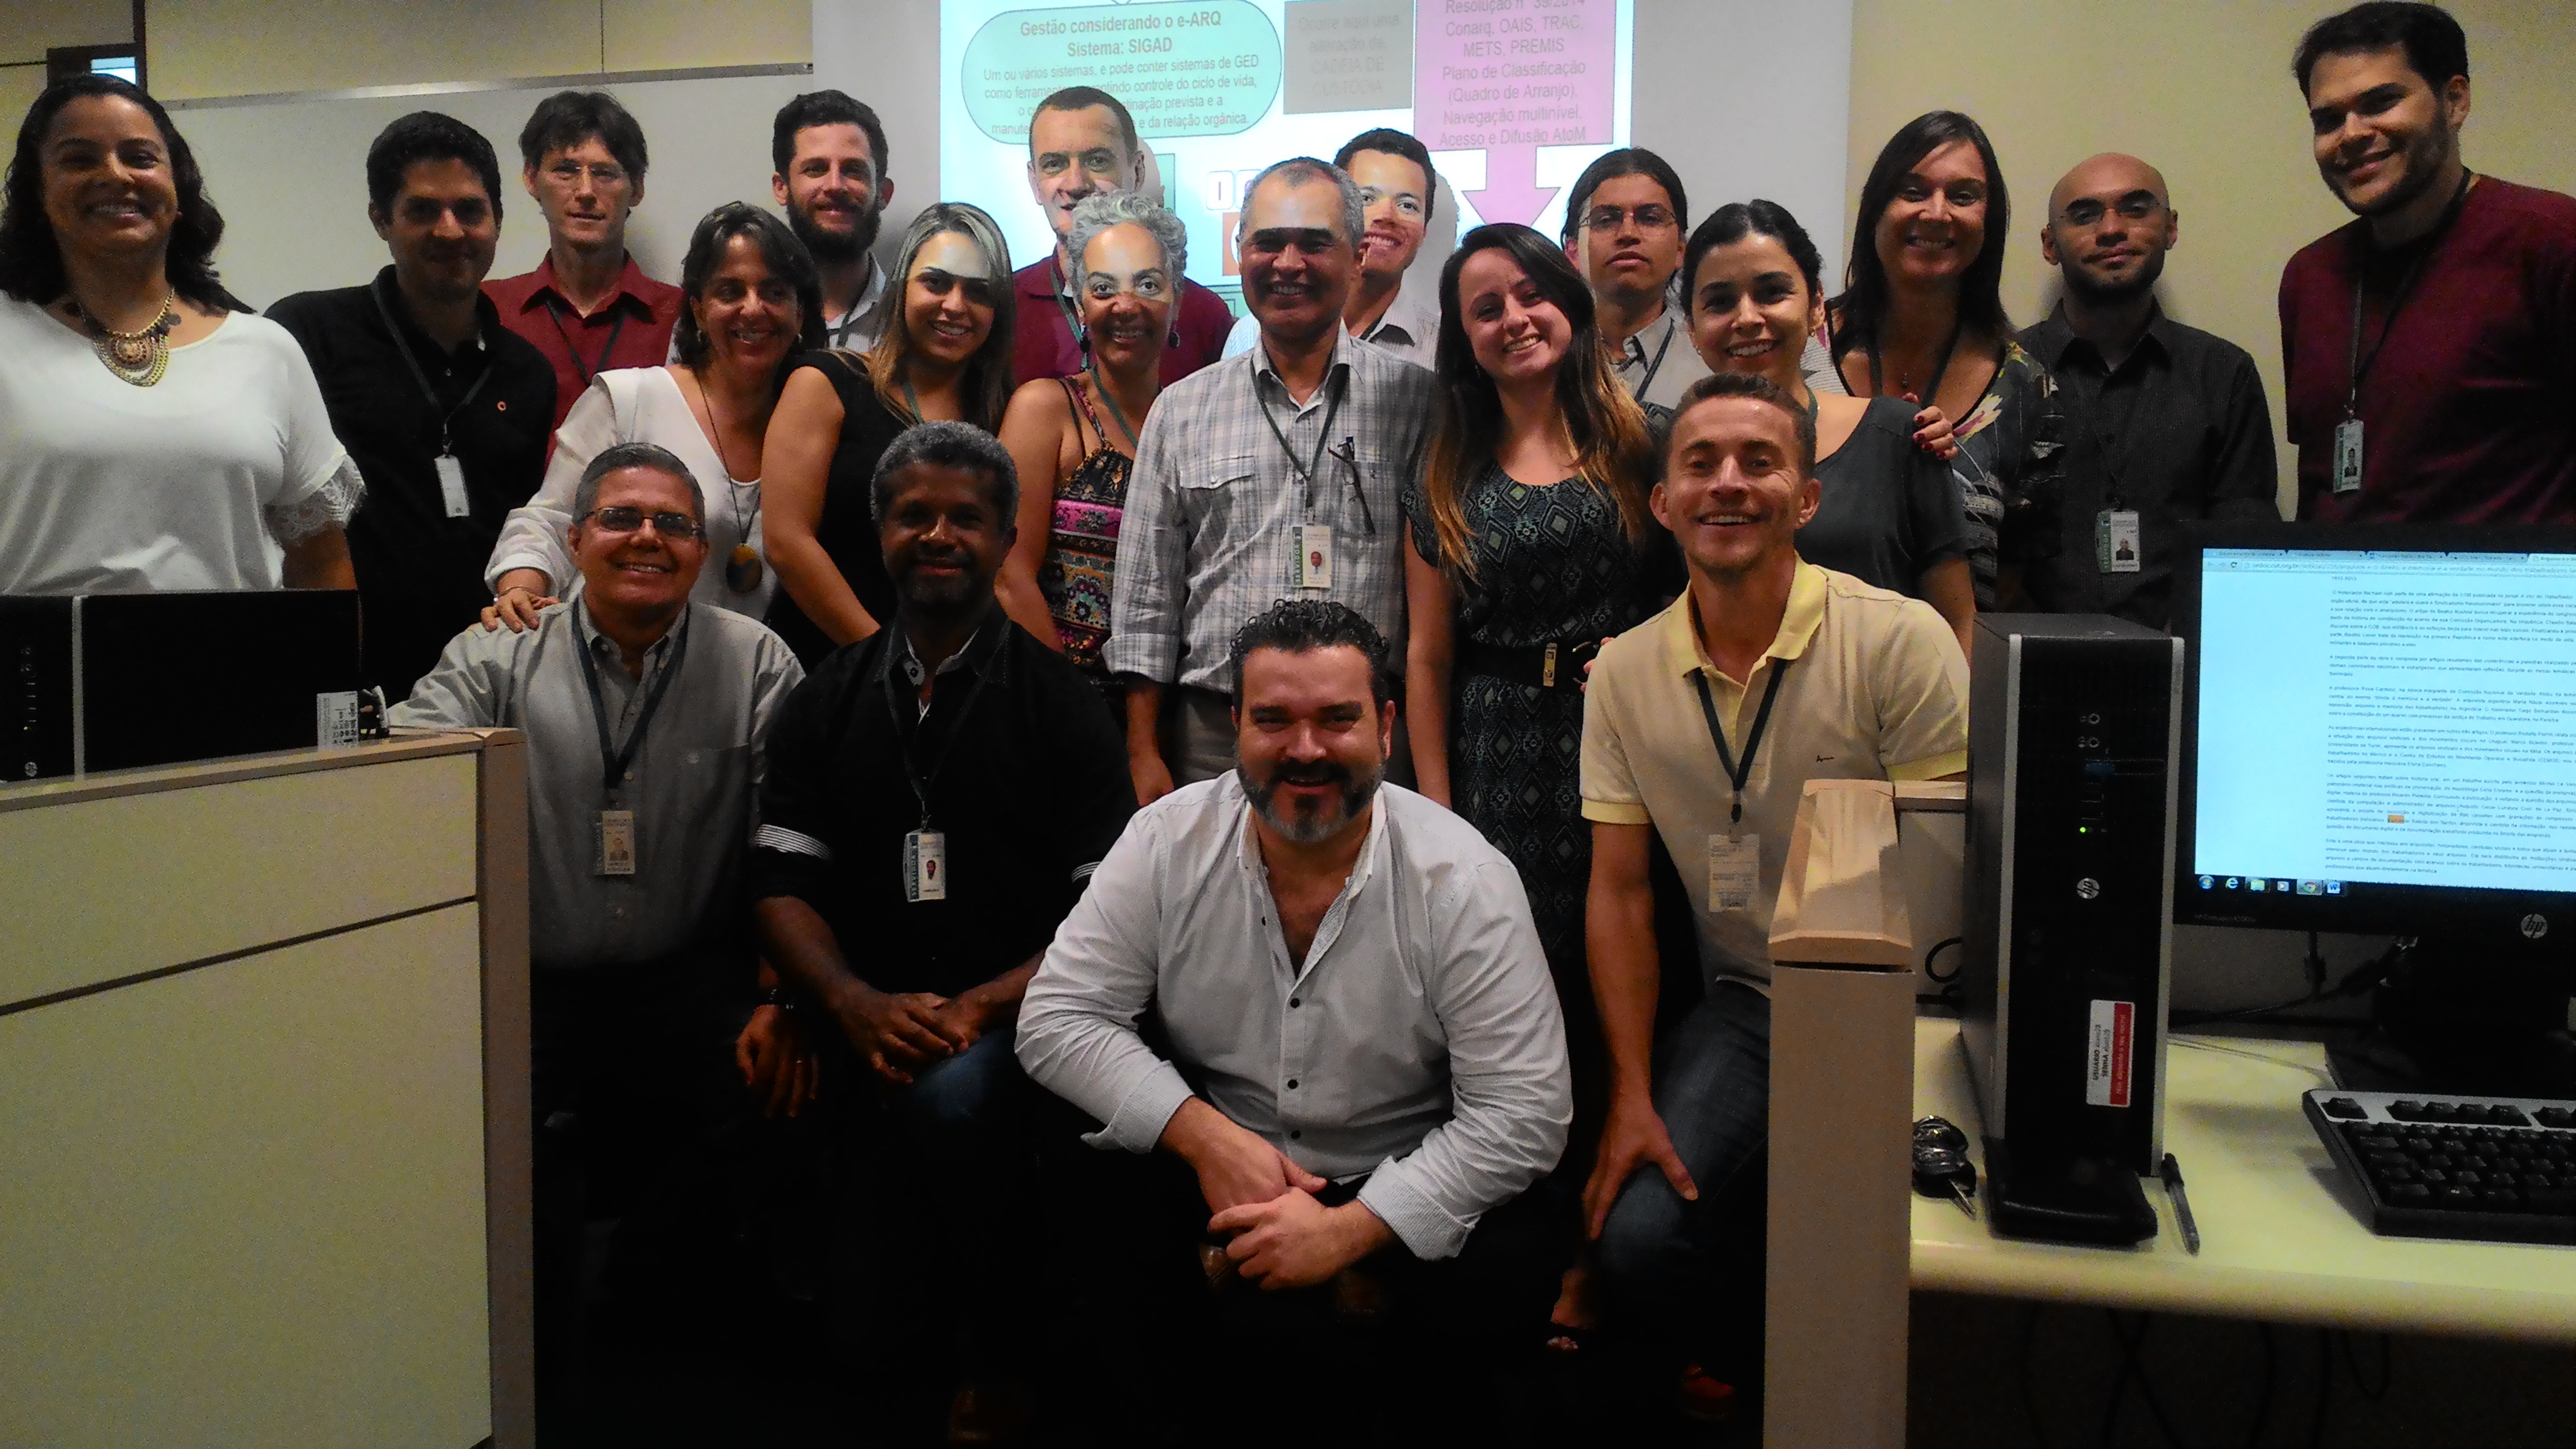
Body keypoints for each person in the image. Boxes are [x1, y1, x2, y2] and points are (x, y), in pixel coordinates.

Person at [1016, 598, 1570, 1439]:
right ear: (1235, 727)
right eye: (1273, 720)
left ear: (1387, 727)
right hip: (1223, 1157)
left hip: (1398, 1162)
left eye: (1337, 719)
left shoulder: (1464, 879)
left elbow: (1525, 1113)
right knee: (1069, 1143)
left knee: (1518, 1253)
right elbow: (1056, 1017)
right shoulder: (1165, 842)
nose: (1305, 750)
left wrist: (1349, 1233)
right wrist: (1206, 1140)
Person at [389, 440, 806, 1431]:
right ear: (574, 541)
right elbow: (399, 779)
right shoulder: (496, 655)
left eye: (673, 523)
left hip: (688, 978)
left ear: (702, 551)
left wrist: (779, 996)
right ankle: (508, 1368)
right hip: (525, 985)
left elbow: (788, 846)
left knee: (781, 1099)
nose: (647, 538)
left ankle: (661, 1331)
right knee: (463, 1139)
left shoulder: (758, 663)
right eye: (621, 518)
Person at [1579, 372, 1967, 1402]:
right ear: (1663, 503)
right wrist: (1629, 1095)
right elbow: (1619, 897)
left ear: (1807, 498)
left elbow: (1951, 884)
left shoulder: (1900, 641)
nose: (1728, 483)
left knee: (1913, 1248)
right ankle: (1764, 1386)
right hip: (1750, 1004)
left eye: (1760, 461)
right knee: (1638, 1240)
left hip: (1899, 1012)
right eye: (1699, 463)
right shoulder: (1622, 675)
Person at [749, 421, 1134, 1441]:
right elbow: (781, 881)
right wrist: (845, 1002)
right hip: (866, 1015)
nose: (939, 535)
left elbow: (1109, 916)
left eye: (967, 517)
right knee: (862, 1345)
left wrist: (978, 1009)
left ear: (1008, 535)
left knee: (957, 1097)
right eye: (914, 514)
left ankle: (1003, 1350)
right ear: (879, 528)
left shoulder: (1065, 706)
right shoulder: (826, 697)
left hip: (1019, 1025)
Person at [1402, 221, 1662, 1099]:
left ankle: (1624, 1133)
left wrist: (1646, 648)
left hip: (1628, 741)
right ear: (1464, 339)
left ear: (1570, 306)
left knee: (1631, 954)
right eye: (1486, 309)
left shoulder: (1646, 442)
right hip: (1496, 752)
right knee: (1510, 979)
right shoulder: (1442, 470)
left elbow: (1700, 594)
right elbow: (1428, 659)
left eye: (1531, 294)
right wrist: (1438, 817)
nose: (1513, 318)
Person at [1110, 157, 1436, 801]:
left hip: (1365, 729)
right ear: (1240, 252)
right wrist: (1143, 749)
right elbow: (1146, 601)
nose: (1288, 263)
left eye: (1314, 243)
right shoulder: (1181, 410)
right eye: (1268, 243)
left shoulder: (1417, 403)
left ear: (1356, 257)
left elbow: (1435, 614)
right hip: (1215, 733)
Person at [0, 74, 358, 594]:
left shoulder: (266, 351)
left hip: (238, 650)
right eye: (79, 160)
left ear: (178, 188)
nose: (115, 174)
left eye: (140, 158)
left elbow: (322, 566)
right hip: (43, 649)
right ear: (39, 193)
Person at [270, 112, 555, 700]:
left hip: (488, 679)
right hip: (346, 681)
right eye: (423, 210)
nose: (450, 231)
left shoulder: (528, 373)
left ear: (498, 220)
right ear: (381, 219)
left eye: (470, 210)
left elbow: (524, 531)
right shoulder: (307, 335)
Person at [2279, 1, 2575, 523]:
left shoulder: (2551, 240)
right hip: (2340, 575)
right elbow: (2319, 479)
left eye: (2381, 102)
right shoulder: (2309, 277)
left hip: (2499, 578)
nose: (2352, 133)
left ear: (2454, 101)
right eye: (2328, 119)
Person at [483, 203, 821, 630]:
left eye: (775, 293)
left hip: (752, 666)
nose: (753, 309)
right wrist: (521, 589)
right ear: (698, 310)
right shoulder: (628, 399)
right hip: (613, 657)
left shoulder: (819, 420)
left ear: (799, 312)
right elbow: (549, 522)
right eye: (730, 292)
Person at [1682, 199, 1976, 659]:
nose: (1747, 318)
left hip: (1884, 703)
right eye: (1720, 302)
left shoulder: (1901, 435)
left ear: (1817, 306)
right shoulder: (1671, 455)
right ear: (1692, 327)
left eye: (1771, 293)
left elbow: (1957, 622)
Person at [1820, 111, 2063, 610]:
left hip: (1958, 655)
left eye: (1963, 196)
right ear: (1875, 209)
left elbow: (2020, 583)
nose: (1936, 213)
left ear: (1990, 221)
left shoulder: (2028, 389)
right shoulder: (1798, 350)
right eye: (1912, 191)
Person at [2024, 154, 2279, 626]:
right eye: (2085, 215)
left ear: (2170, 228)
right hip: (2025, 655)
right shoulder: (2002, 371)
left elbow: (2245, 550)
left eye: (2136, 209)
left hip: (2182, 656)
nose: (2111, 229)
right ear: (2049, 244)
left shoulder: (2224, 373)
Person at [760, 201, 1015, 664]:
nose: (955, 305)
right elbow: (786, 543)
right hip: (828, 667)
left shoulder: (1005, 418)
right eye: (936, 283)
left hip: (953, 680)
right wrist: (892, 663)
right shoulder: (827, 383)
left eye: (979, 291)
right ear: (900, 290)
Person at [996, 191, 1180, 694]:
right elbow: (1008, 576)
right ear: (1080, 305)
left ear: (1177, 301)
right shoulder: (1045, 410)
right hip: (1055, 701)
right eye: (1103, 288)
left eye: (1148, 284)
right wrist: (1076, 709)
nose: (1126, 305)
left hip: (1171, 707)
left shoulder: (1193, 420)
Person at [484, 91, 682, 430]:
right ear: (531, 178)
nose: (586, 191)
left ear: (637, 188)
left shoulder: (681, 316)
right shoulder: (488, 311)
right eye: (566, 170)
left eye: (605, 173)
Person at [1012, 86, 1232, 387]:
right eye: (1054, 164)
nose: (1075, 184)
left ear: (1138, 172)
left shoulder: (1205, 315)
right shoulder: (1002, 309)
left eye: (1097, 161)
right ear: (1034, 182)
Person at [1224, 128, 1441, 368]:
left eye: (1408, 205)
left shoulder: (1446, 347)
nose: (1386, 216)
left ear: (1425, 230)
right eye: (1366, 199)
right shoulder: (1249, 334)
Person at [1558, 148, 1710, 430]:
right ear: (1573, 251)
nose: (1628, 234)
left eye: (1650, 218)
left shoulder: (1713, 361)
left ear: (1681, 248)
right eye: (1606, 220)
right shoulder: (1545, 361)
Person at [772, 89, 897, 352]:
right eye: (815, 169)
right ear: (782, 187)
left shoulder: (911, 324)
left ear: (883, 193)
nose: (835, 185)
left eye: (853, 170)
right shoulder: (744, 320)